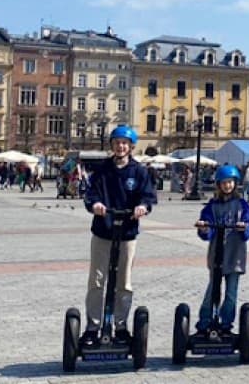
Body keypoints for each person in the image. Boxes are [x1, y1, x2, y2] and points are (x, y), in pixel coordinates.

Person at [81, 125, 157, 347]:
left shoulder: (139, 171)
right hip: (103, 229)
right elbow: (91, 192)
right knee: (96, 280)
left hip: (127, 232)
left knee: (124, 281)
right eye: (117, 142)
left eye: (125, 143)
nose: (120, 146)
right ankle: (93, 326)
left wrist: (143, 206)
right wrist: (94, 203)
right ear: (112, 145)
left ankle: (121, 325)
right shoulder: (102, 170)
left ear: (131, 146)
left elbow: (148, 195)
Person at [194, 165, 249, 333]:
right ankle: (205, 320)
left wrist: (244, 227)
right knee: (212, 289)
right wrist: (204, 228)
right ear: (218, 185)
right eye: (224, 183)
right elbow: (207, 230)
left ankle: (226, 322)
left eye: (230, 182)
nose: (227, 186)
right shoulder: (211, 206)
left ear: (235, 184)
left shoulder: (242, 206)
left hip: (235, 255)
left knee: (231, 292)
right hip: (217, 255)